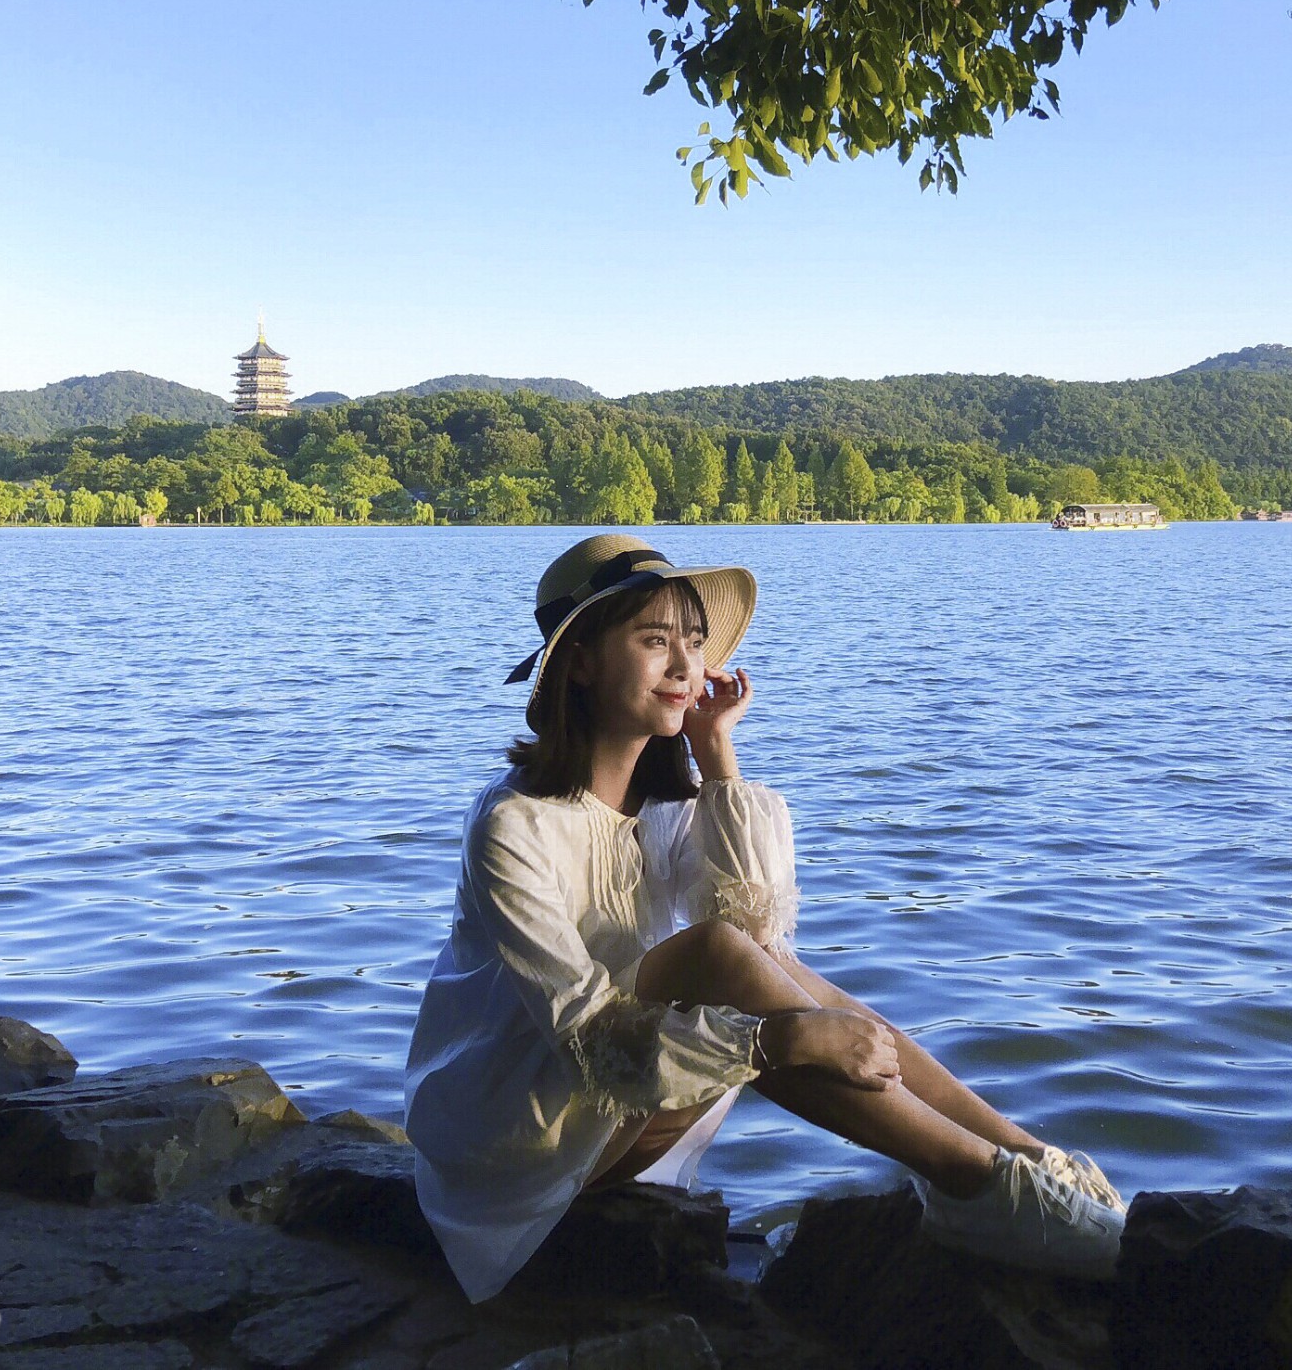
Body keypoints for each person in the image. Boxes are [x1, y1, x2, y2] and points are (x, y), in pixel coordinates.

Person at [402, 533, 1126, 1303]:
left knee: (748, 958)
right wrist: (775, 1038)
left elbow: (762, 946)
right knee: (721, 958)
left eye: (693, 641)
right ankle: (976, 1185)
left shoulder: (665, 809)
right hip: (520, 1138)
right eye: (655, 642)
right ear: (579, 660)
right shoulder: (514, 823)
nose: (686, 667)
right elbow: (590, 1038)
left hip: (617, 1106)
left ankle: (1022, 1157)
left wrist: (717, 753)